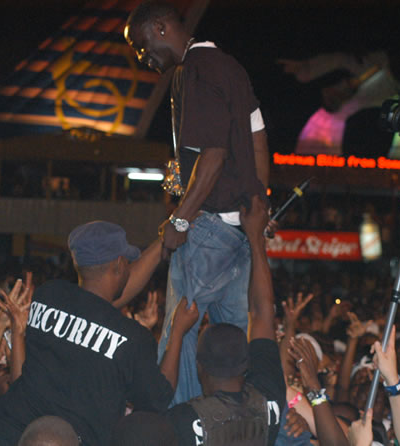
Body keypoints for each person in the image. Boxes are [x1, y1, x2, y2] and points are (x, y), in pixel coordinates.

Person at [124, 0, 270, 404]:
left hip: (206, 229)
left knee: (179, 337)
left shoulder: (196, 70)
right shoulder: (229, 66)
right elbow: (258, 136)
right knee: (232, 345)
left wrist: (180, 221)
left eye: (140, 45)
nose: (141, 56)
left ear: (159, 28)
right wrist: (259, 197)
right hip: (238, 231)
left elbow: (214, 155)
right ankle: (237, 423)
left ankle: (177, 428)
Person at [0, 221, 199, 446]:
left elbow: (95, 309)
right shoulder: (133, 338)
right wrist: (177, 331)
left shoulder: (48, 295)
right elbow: (160, 398)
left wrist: (163, 242)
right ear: (120, 264)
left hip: (3, 432)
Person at [112, 195, 285, 446]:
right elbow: (262, 312)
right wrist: (256, 241)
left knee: (185, 314)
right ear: (248, 362)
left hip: (220, 229)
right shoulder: (269, 401)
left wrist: (179, 333)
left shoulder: (182, 420)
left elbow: (161, 394)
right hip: (242, 235)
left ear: (199, 366)